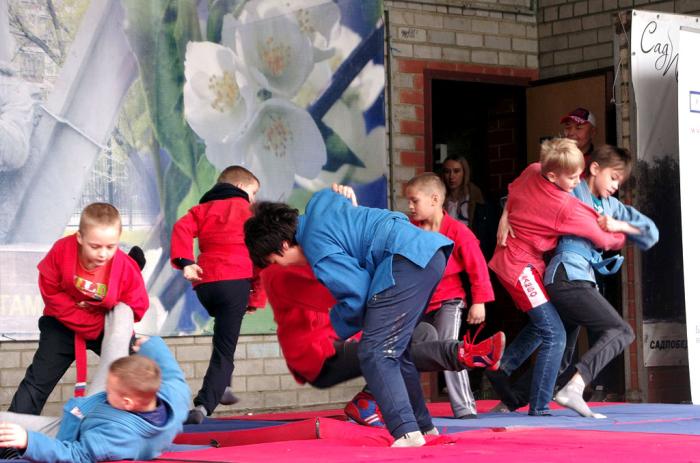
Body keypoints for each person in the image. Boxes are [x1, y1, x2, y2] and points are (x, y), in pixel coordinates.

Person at [245, 185, 496, 447]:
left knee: (375, 352)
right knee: (400, 351)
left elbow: (357, 292)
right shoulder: (320, 205)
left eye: (274, 260)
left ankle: (406, 433)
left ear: (284, 245)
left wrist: (335, 328)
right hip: (429, 254)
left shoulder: (316, 247)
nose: (280, 266)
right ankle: (424, 428)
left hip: (403, 260)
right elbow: (337, 202)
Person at [260, 263, 504, 427]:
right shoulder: (284, 274)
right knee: (393, 348)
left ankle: (367, 402)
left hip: (351, 340)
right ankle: (463, 354)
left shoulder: (321, 262)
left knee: (423, 332)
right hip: (322, 355)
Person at [487, 138, 626, 416]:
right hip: (520, 266)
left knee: (548, 324)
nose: (577, 182)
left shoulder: (532, 169)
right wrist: (621, 232)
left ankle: (502, 367)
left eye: (580, 174)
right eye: (573, 177)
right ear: (552, 175)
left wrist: (506, 214)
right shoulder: (565, 206)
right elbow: (605, 237)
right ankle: (538, 405)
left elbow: (512, 191)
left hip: (516, 262)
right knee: (556, 334)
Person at [8, 203, 149, 416]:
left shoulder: (125, 266)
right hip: (62, 325)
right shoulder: (61, 251)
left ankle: (140, 428)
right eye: (95, 246)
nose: (103, 254)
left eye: (110, 246)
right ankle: (9, 440)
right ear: (80, 237)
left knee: (136, 374)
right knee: (37, 382)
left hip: (103, 326)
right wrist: (85, 318)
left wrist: (103, 315)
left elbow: (136, 306)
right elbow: (51, 293)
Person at [170, 165, 266, 424]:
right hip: (235, 281)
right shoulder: (250, 212)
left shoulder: (202, 210)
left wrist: (186, 261)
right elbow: (260, 259)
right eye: (254, 192)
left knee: (223, 334)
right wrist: (254, 298)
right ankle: (203, 405)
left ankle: (224, 385)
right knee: (225, 347)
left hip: (206, 284)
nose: (254, 198)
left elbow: (181, 228)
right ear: (242, 187)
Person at [0, 336, 189, 462]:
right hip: (90, 410)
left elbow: (76, 455)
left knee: (6, 427)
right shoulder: (173, 396)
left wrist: (29, 441)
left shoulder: (116, 436)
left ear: (127, 403)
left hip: (69, 430)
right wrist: (152, 345)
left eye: (110, 389)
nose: (105, 389)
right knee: (120, 320)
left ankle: (11, 451)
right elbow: (174, 375)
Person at [405, 172, 498, 419]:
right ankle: (404, 408)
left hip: (449, 301)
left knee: (450, 349)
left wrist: (479, 302)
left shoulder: (458, 232)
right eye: (408, 202)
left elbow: (477, 268)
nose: (409, 207)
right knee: (405, 349)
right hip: (417, 303)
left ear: (435, 200)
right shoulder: (407, 229)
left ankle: (464, 408)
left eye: (414, 201)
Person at [441, 155, 485, 229]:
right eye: (447, 172)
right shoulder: (439, 196)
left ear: (464, 172)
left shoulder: (473, 194)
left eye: (456, 171)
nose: (451, 176)